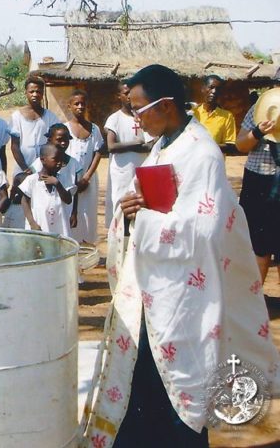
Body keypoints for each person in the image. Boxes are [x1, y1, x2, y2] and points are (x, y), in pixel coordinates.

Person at [81, 64, 280, 448]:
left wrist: (147, 220)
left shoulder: (201, 153)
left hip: (184, 297)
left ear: (166, 105)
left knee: (178, 390)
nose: (136, 121)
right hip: (154, 289)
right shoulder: (163, 144)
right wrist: (133, 209)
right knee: (144, 383)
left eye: (140, 111)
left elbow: (202, 230)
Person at [235, 89, 279, 284]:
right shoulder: (260, 107)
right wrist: (258, 132)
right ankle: (255, 304)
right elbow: (241, 145)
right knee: (257, 248)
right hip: (258, 181)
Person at [104, 82, 153, 228]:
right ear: (118, 96)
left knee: (140, 202)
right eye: (125, 93)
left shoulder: (141, 117)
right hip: (122, 171)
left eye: (131, 93)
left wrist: (135, 146)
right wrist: (137, 144)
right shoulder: (115, 119)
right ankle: (120, 236)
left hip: (141, 167)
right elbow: (111, 146)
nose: (129, 96)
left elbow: (150, 145)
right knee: (120, 203)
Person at [64, 90, 103, 245]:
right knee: (70, 213)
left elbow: (98, 152)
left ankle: (87, 247)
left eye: (83, 104)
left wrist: (87, 177)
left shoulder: (94, 129)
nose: (80, 107)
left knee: (88, 213)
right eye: (76, 104)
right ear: (69, 106)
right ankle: (71, 248)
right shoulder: (64, 128)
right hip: (69, 180)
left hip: (88, 180)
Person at [9, 75, 61, 175]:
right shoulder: (16, 117)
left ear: (42, 94)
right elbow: (14, 146)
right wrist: (25, 168)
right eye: (31, 91)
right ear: (26, 93)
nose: (35, 94)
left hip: (45, 170)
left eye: (38, 92)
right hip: (22, 169)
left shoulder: (51, 117)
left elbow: (55, 143)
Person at [20, 143, 73, 235]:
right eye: (55, 159)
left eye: (61, 160)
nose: (59, 163)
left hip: (59, 227)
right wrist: (32, 223)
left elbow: (68, 200)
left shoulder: (63, 179)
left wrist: (57, 184)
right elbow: (24, 201)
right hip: (39, 227)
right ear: (43, 160)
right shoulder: (32, 180)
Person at [193, 75, 237, 154]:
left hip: (214, 163)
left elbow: (230, 146)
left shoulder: (227, 116)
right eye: (211, 87)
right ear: (203, 89)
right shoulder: (193, 113)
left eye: (218, 89)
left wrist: (208, 146)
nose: (214, 91)